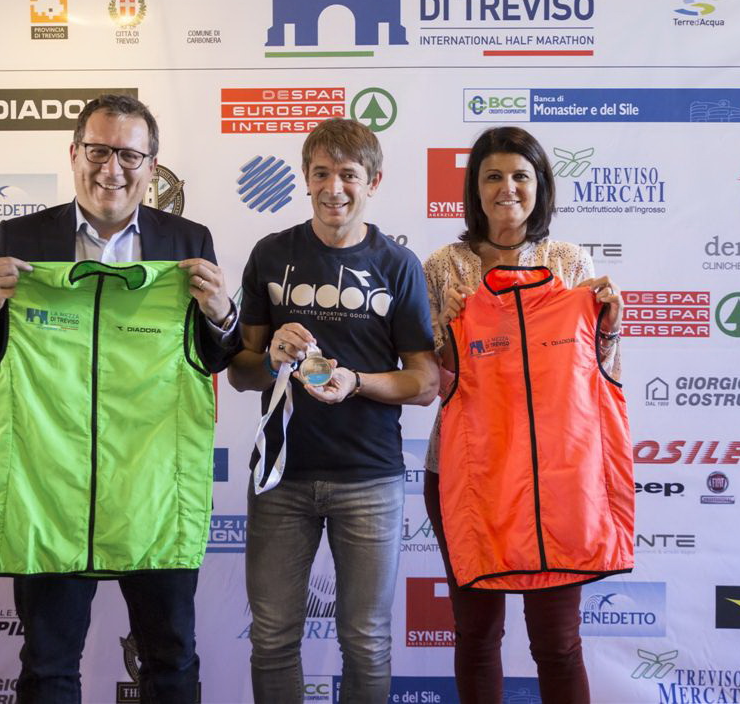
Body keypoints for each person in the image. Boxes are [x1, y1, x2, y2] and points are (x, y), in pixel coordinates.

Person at [0, 93, 240, 704]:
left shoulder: (188, 240)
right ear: (74, 153)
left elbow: (214, 360)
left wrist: (221, 313)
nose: (113, 169)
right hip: (50, 490)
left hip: (155, 490)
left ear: (152, 166)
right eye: (99, 151)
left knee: (171, 659)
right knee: (48, 665)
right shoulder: (20, 237)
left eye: (129, 155)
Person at [227, 117, 439, 704]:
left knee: (366, 641)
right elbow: (240, 372)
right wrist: (271, 358)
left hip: (369, 477)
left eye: (348, 174)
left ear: (373, 181)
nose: (333, 188)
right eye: (321, 173)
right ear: (305, 177)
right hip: (280, 476)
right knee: (272, 638)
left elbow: (425, 382)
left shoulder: (397, 264)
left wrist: (357, 382)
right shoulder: (271, 254)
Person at [423, 126, 628, 704]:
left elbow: (598, 372)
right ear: (474, 187)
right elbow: (432, 379)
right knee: (476, 635)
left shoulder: (570, 261)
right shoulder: (442, 267)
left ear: (541, 186)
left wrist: (609, 324)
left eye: (520, 175)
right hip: (469, 472)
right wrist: (449, 330)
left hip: (555, 477)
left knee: (557, 642)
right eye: (493, 176)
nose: (507, 188)